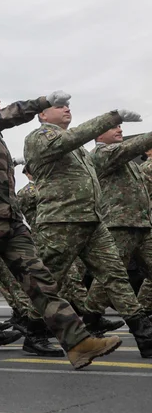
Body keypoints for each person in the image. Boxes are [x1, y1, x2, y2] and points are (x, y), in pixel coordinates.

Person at [0, 84, 119, 369]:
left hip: (11, 220)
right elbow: (3, 117)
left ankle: (77, 343)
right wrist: (40, 102)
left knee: (41, 280)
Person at [24, 103, 152, 357]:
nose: (66, 110)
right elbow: (73, 138)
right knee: (50, 281)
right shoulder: (39, 137)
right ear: (42, 115)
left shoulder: (78, 149)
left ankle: (144, 336)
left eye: (69, 106)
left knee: (115, 275)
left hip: (93, 220)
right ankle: (34, 333)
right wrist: (111, 117)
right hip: (62, 220)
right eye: (59, 107)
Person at [90, 124, 152, 320]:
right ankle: (91, 316)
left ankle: (142, 313)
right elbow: (129, 148)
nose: (120, 130)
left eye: (119, 127)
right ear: (98, 134)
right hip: (119, 225)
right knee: (111, 275)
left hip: (142, 224)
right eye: (113, 128)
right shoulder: (101, 154)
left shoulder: (129, 162)